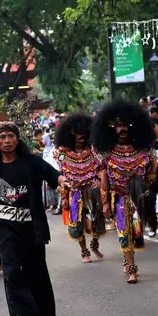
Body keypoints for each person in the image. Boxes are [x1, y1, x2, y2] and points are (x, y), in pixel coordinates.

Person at [0, 121, 69, 316]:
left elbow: (53, 174)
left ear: (17, 139)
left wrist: (64, 181)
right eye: (2, 137)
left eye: (11, 136)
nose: (7, 141)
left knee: (34, 270)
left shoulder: (31, 162)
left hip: (31, 226)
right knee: (10, 270)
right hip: (4, 227)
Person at [92, 99, 156, 284]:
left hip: (140, 199)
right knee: (123, 232)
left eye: (125, 125)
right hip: (119, 198)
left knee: (136, 233)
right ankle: (131, 269)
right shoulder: (106, 152)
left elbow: (152, 170)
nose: (122, 129)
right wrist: (105, 202)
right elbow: (104, 178)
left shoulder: (144, 149)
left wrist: (144, 188)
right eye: (118, 126)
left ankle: (128, 259)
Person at [55, 112, 105, 263]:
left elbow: (103, 168)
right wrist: (63, 197)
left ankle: (94, 243)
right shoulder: (62, 153)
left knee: (96, 220)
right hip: (74, 192)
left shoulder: (95, 152)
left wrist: (100, 182)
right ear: (70, 134)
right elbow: (60, 174)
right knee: (77, 223)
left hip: (93, 191)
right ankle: (84, 252)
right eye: (77, 133)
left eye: (84, 132)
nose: (81, 136)